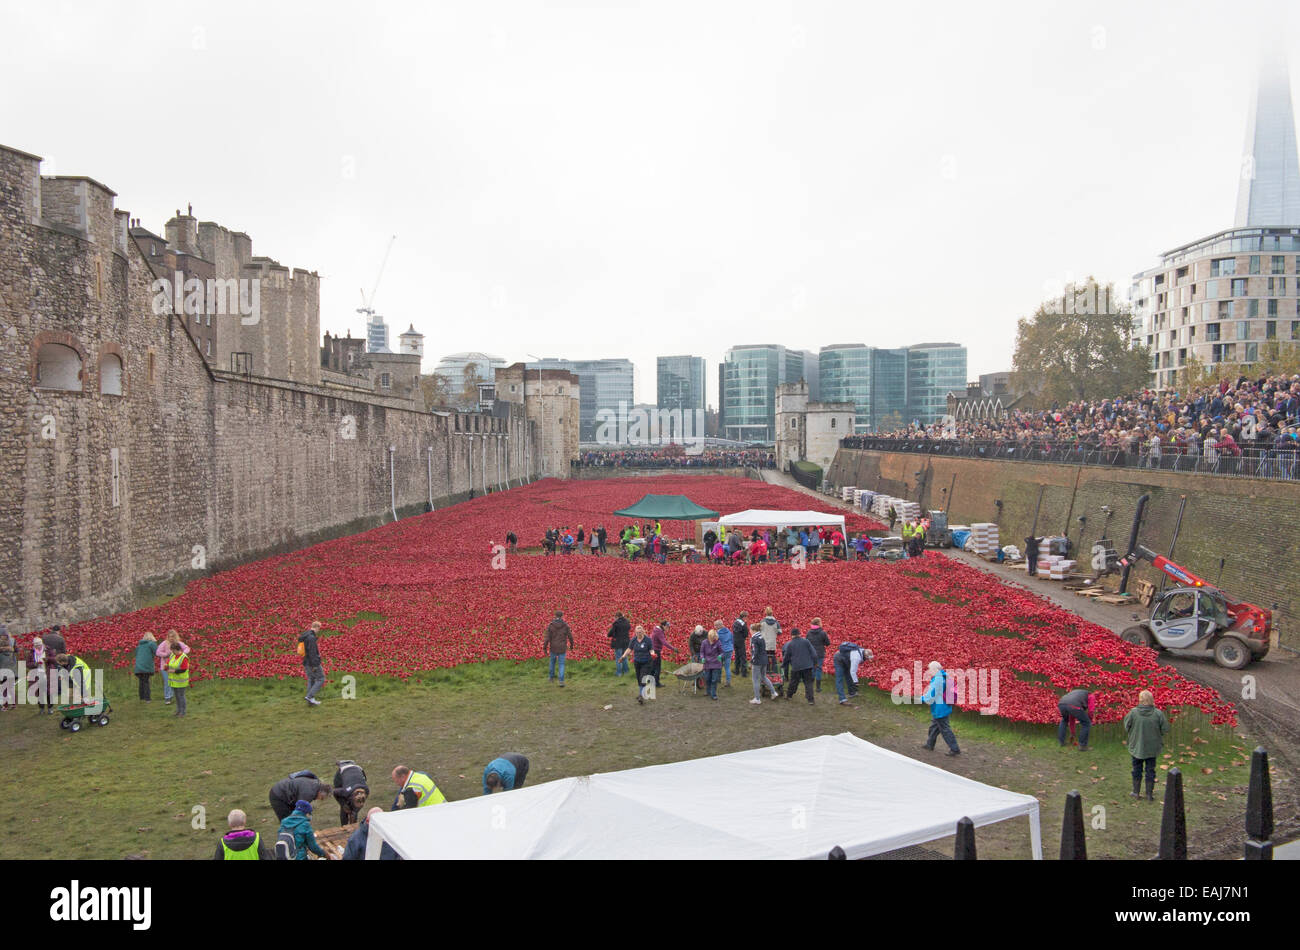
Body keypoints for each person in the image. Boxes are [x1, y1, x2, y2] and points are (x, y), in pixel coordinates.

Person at [1123, 690, 1170, 802]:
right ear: (1151, 700)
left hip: (1136, 746)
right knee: (1150, 770)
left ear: (1140, 700)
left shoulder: (1133, 712)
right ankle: (1149, 794)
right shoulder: (1158, 713)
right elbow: (1165, 729)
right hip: (1152, 747)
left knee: (1136, 769)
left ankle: (1136, 792)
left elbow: (1126, 725)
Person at [920, 661, 960, 756]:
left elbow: (931, 694)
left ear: (935, 669)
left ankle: (955, 749)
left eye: (930, 669)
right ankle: (930, 744)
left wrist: (921, 698)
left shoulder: (938, 679)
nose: (929, 671)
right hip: (944, 707)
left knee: (945, 729)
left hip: (940, 708)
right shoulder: (944, 676)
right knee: (934, 727)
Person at [782, 628, 818, 704]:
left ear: (792, 635)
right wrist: (815, 663)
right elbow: (814, 654)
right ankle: (810, 700)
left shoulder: (790, 644)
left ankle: (789, 695)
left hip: (796, 667)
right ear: (799, 634)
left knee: (793, 682)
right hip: (807, 666)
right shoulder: (806, 641)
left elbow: (787, 656)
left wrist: (783, 665)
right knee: (808, 683)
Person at [622, 625, 656, 705]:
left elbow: (651, 649)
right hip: (637, 662)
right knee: (638, 678)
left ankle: (641, 695)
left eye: (640, 632)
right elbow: (629, 649)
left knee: (642, 677)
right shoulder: (633, 640)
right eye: (637, 632)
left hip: (646, 662)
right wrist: (623, 656)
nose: (638, 634)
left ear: (643, 632)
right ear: (635, 633)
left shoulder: (648, 640)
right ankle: (641, 693)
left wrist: (653, 654)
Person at [156, 629, 189, 706]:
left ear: (175, 637)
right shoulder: (164, 643)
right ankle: (168, 697)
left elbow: (187, 648)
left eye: (173, 637)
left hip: (176, 667)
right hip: (165, 666)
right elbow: (158, 652)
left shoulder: (179, 643)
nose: (171, 638)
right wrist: (166, 654)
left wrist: (181, 654)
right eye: (169, 637)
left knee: (174, 681)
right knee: (167, 681)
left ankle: (175, 696)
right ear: (167, 637)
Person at [332, 760, 370, 825]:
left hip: (357, 770)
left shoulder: (366, 791)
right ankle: (343, 826)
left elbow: (357, 806)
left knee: (354, 811)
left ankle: (353, 827)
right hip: (342, 772)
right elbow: (334, 792)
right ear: (352, 797)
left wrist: (354, 812)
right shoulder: (346, 791)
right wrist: (343, 804)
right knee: (345, 809)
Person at [748, 623, 779, 704]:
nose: (749, 631)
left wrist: (751, 661)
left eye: (750, 630)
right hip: (764, 660)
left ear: (753, 630)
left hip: (757, 661)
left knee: (755, 680)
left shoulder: (754, 639)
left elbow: (755, 651)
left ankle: (757, 699)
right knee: (763, 677)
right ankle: (773, 692)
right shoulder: (761, 637)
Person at [162, 632, 191, 717]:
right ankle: (178, 710)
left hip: (181, 680)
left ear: (177, 649)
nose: (172, 652)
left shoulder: (183, 657)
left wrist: (173, 671)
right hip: (174, 681)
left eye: (173, 650)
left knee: (181, 696)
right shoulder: (172, 655)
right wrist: (166, 666)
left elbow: (183, 669)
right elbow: (168, 663)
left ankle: (183, 712)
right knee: (177, 696)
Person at [298, 621, 325, 706]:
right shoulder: (311, 638)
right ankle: (310, 696)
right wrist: (315, 665)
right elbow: (313, 653)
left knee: (311, 679)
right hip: (312, 662)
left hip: (306, 661)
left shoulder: (305, 636)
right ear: (317, 627)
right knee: (321, 678)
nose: (318, 631)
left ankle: (310, 701)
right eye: (319, 629)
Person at [544, 611, 573, 686]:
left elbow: (547, 638)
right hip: (562, 648)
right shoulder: (565, 625)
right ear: (562, 616)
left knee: (552, 663)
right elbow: (570, 636)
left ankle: (551, 678)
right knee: (561, 664)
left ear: (555, 615)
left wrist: (545, 647)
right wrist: (571, 645)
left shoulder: (551, 625)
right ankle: (561, 681)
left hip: (553, 647)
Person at [804, 619, 830, 693]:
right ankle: (818, 688)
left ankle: (810, 686)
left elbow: (806, 642)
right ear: (818, 624)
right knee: (818, 669)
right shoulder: (822, 633)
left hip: (811, 653)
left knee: (812, 669)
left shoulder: (809, 633)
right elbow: (827, 643)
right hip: (820, 654)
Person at [650, 620, 676, 688]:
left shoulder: (656, 629)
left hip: (652, 650)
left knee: (653, 666)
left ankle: (651, 681)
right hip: (656, 651)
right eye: (667, 627)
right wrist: (673, 648)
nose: (668, 628)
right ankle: (657, 683)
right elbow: (664, 642)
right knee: (657, 667)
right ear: (663, 626)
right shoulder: (659, 632)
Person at [133, 632, 157, 702]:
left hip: (138, 666)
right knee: (146, 681)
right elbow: (157, 652)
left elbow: (137, 655)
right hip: (146, 665)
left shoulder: (138, 646)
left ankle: (142, 697)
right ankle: (147, 698)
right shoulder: (152, 644)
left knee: (141, 681)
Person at [700, 628, 724, 700]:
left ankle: (713, 694)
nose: (713, 639)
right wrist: (702, 658)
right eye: (712, 638)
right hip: (707, 663)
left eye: (714, 638)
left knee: (714, 679)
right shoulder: (704, 642)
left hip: (716, 663)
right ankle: (708, 691)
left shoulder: (718, 642)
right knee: (707, 678)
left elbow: (722, 652)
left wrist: (720, 656)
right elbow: (702, 652)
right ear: (709, 636)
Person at [608, 611, 631, 677]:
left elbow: (610, 633)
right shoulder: (627, 622)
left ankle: (619, 673)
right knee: (625, 656)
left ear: (617, 617)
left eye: (615, 617)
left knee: (618, 657)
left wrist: (611, 634)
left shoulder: (616, 623)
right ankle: (626, 671)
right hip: (626, 642)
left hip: (618, 642)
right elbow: (629, 628)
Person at [715, 619, 734, 687]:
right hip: (729, 651)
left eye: (715, 625)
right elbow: (732, 640)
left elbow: (716, 643)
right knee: (727, 667)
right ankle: (728, 682)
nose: (714, 627)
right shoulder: (729, 631)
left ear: (718, 626)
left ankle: (718, 679)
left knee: (719, 666)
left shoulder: (717, 634)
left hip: (721, 652)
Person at [731, 612, 749, 676]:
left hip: (735, 640)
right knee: (743, 656)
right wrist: (743, 637)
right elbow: (746, 633)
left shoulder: (735, 621)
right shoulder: (743, 623)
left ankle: (736, 670)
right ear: (743, 617)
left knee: (737, 655)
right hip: (741, 641)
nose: (746, 618)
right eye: (746, 617)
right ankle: (744, 672)